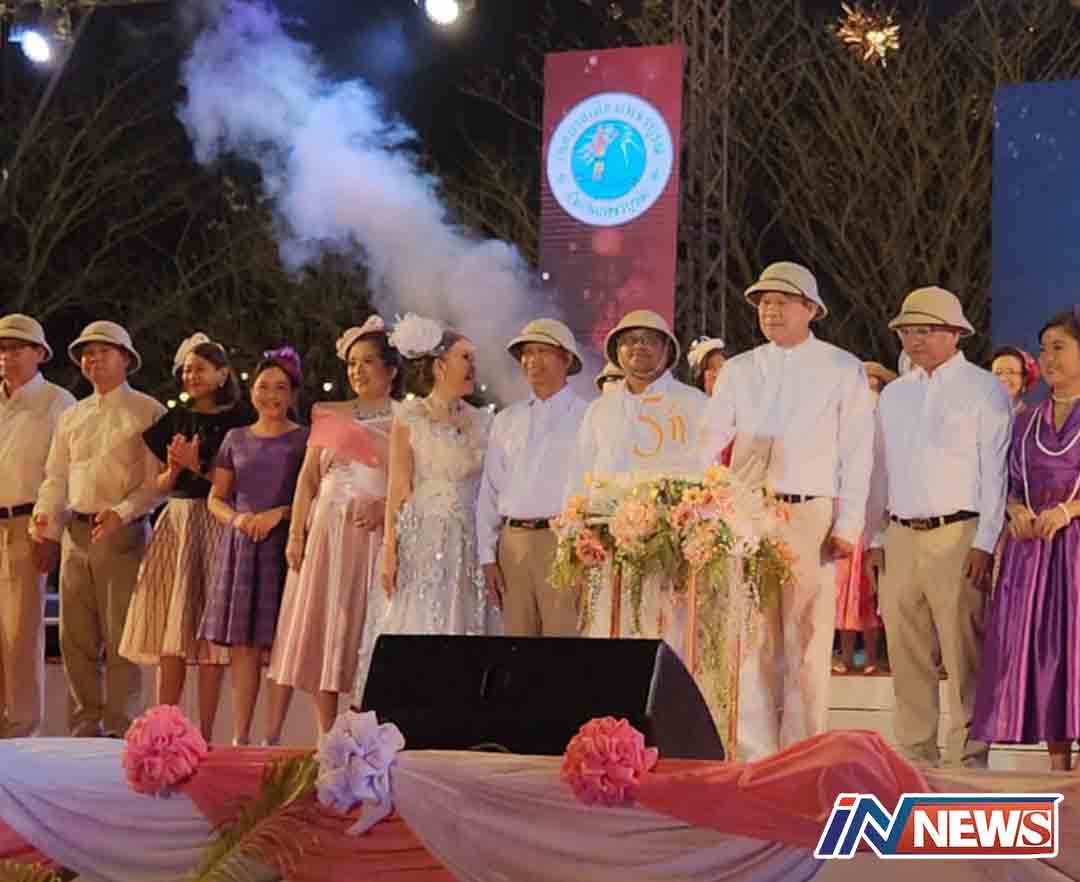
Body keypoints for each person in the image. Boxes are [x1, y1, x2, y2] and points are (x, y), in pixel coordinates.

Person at [701, 261, 875, 761]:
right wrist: (707, 506)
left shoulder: (841, 368)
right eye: (763, 303)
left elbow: (857, 450)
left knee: (807, 639)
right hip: (746, 514)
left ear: (810, 309)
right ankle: (753, 751)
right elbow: (709, 440)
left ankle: (802, 751)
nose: (771, 311)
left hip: (809, 515)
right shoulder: (740, 369)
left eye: (782, 301)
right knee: (752, 635)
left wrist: (849, 524)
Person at [866, 287, 1010, 769]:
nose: (914, 339)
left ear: (954, 333)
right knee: (906, 653)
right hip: (900, 533)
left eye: (925, 330)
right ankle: (915, 756)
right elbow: (880, 471)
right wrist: (876, 536)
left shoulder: (983, 389)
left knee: (963, 651)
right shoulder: (894, 395)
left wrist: (985, 542)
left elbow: (995, 473)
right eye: (906, 331)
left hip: (959, 534)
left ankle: (970, 757)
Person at [352, 315, 498, 709]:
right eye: (465, 357)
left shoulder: (484, 420)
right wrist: (390, 550)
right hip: (424, 538)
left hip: (470, 539)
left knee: (467, 617)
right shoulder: (410, 418)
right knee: (419, 614)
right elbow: (398, 488)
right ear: (440, 365)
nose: (473, 366)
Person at [265, 318, 398, 741]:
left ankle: (364, 735)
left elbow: (412, 485)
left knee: (364, 630)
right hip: (326, 532)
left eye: (368, 362)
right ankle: (326, 737)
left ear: (391, 369)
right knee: (325, 627)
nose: (357, 371)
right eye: (352, 363)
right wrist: (296, 534)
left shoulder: (406, 420)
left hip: (374, 537)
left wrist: (384, 508)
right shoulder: (330, 414)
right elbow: (307, 479)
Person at [33, 320, 166, 737]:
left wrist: (122, 513)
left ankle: (122, 728)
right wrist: (45, 522)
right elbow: (56, 476)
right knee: (75, 638)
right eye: (87, 354)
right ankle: (84, 726)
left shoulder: (148, 411)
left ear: (125, 358)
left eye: (103, 351)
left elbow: (158, 482)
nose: (93, 360)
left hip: (123, 532)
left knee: (122, 636)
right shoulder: (72, 416)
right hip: (75, 531)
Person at [118, 333, 248, 741]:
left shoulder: (239, 422)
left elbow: (238, 483)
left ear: (222, 374)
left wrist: (198, 466)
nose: (192, 376)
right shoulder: (173, 421)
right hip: (177, 522)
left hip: (215, 520)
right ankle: (164, 729)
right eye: (188, 369)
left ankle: (204, 734)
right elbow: (160, 483)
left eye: (201, 369)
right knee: (170, 630)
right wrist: (175, 470)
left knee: (210, 637)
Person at [973, 308, 1080, 770]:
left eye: (1059, 347)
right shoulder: (1026, 421)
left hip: (1075, 552)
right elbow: (1011, 483)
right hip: (1035, 554)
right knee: (1048, 656)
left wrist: (1068, 510)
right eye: (1044, 349)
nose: (1048, 357)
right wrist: (1015, 510)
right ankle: (1058, 768)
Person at [567, 309, 707, 655]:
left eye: (648, 340)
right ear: (617, 351)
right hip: (608, 544)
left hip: (670, 548)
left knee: (668, 635)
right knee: (610, 632)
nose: (638, 346)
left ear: (667, 350)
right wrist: (575, 530)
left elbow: (707, 472)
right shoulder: (600, 410)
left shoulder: (692, 403)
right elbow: (580, 473)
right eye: (629, 340)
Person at [198, 348, 308, 745]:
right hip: (242, 546)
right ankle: (240, 737)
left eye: (280, 387)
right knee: (243, 647)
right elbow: (216, 498)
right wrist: (239, 520)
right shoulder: (235, 438)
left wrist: (281, 514)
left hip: (287, 547)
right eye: (264, 387)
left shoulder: (305, 439)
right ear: (252, 391)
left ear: (293, 394)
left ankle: (271, 738)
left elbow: (315, 497)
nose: (271, 395)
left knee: (282, 642)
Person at [477, 319, 588, 637]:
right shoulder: (506, 420)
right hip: (513, 544)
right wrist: (487, 556)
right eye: (526, 353)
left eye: (542, 351)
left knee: (563, 642)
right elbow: (489, 491)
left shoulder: (588, 416)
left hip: (563, 543)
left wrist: (584, 551)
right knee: (516, 644)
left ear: (566, 358)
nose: (532, 360)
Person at [0, 315, 74, 737]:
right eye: (1, 348)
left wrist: (48, 532)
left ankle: (22, 731)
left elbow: (59, 474)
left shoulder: (56, 402)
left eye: (16, 348)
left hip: (28, 523)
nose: (6, 356)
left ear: (39, 353)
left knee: (22, 634)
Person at [833, 361, 894, 675]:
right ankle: (845, 657)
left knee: (870, 592)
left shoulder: (888, 429)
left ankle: (872, 657)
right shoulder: (842, 427)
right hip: (846, 518)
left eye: (875, 384)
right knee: (843, 593)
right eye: (865, 383)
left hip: (875, 522)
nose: (870, 389)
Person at [990, 345, 1039, 417]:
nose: (1003, 378)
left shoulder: (1036, 418)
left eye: (1011, 372)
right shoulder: (980, 413)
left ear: (1024, 379)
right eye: (998, 373)